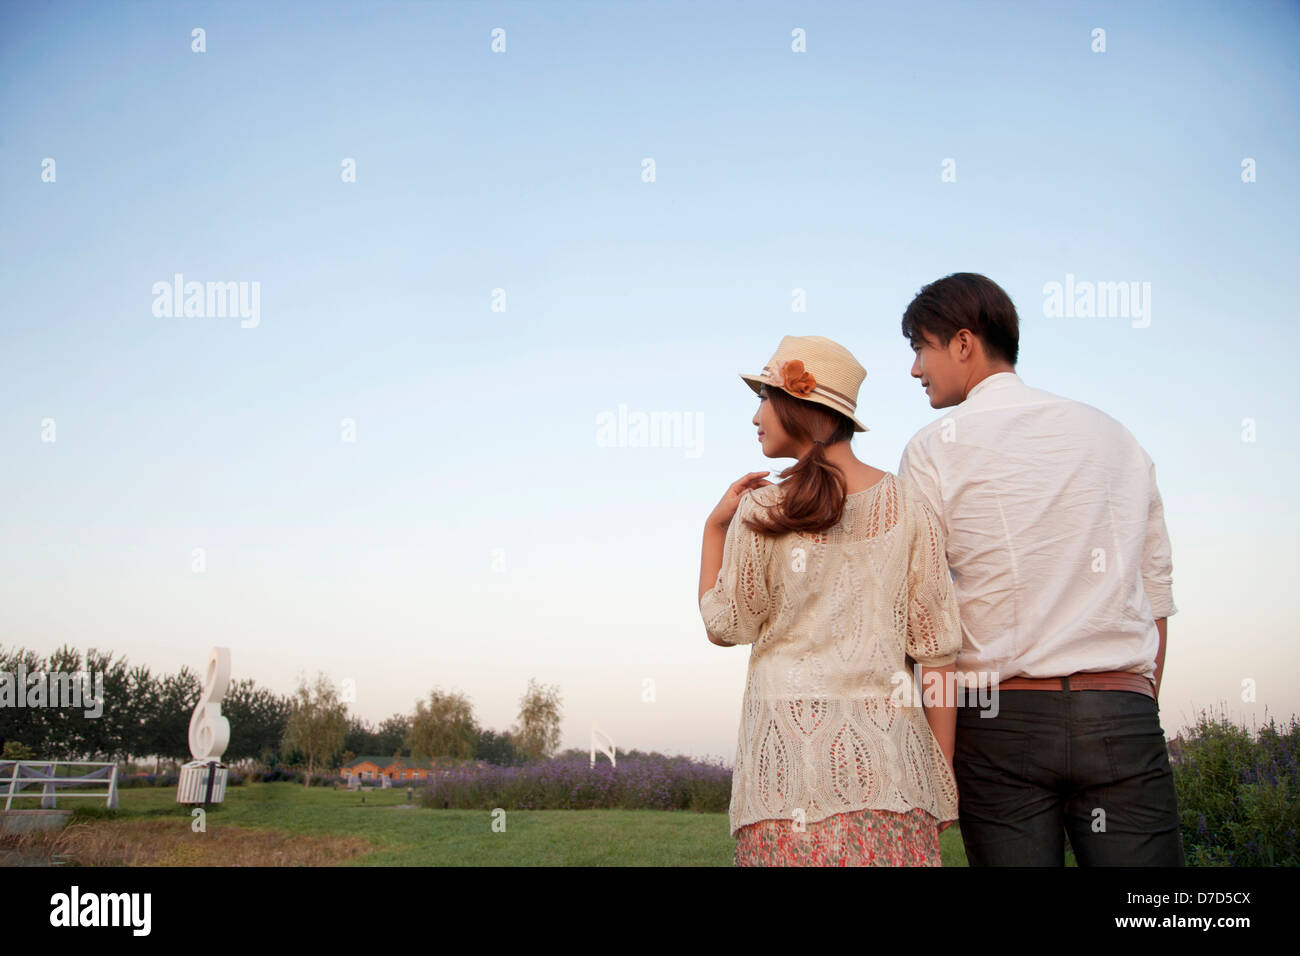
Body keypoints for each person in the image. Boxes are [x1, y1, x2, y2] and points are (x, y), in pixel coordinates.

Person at [897, 272, 1184, 866]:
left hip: (1002, 723)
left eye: (919, 348)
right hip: (1121, 712)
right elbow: (1156, 599)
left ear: (963, 342)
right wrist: (1138, 704)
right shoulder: (1117, 437)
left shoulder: (933, 447)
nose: (915, 369)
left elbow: (924, 613)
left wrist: (934, 756)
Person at [698, 334, 963, 866]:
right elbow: (937, 653)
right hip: (892, 777)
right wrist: (941, 772)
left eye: (763, 398)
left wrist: (713, 528)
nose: (755, 416)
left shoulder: (761, 510)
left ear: (798, 406)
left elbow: (725, 625)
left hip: (784, 778)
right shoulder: (909, 503)